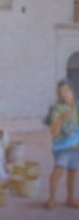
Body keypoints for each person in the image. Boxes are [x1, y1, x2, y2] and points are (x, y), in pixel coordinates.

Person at [45, 79, 79, 209]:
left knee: (72, 171)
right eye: (61, 92)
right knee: (58, 169)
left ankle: (70, 197)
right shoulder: (57, 109)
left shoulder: (77, 106)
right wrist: (61, 118)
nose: (64, 94)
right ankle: (52, 198)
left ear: (72, 91)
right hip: (62, 146)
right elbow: (53, 130)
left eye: (66, 91)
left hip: (76, 146)